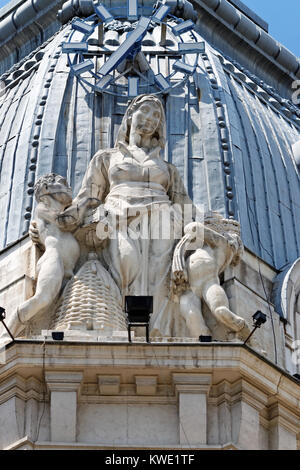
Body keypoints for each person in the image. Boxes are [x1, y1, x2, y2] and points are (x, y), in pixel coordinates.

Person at [57, 94, 195, 337]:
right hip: (119, 215)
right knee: (124, 260)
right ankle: (118, 323)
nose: (150, 120)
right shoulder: (107, 157)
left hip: (161, 221)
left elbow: (184, 204)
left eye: (156, 116)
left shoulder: (167, 169)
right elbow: (89, 195)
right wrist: (64, 219)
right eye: (145, 111)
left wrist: (197, 228)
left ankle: (156, 332)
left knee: (158, 277)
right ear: (131, 114)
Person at [1, 174, 80, 340]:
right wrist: (87, 202)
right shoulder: (42, 209)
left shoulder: (66, 215)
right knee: (42, 298)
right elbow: (63, 221)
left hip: (68, 270)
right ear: (45, 190)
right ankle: (8, 332)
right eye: (62, 183)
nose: (68, 187)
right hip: (54, 258)